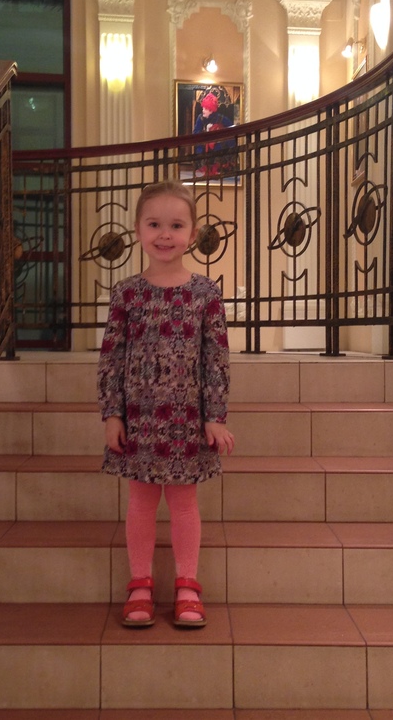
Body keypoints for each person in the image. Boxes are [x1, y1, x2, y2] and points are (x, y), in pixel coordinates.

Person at [97, 180, 234, 628]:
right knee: (140, 503)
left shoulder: (206, 293)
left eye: (176, 225)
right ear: (138, 229)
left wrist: (214, 417)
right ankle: (140, 584)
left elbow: (216, 359)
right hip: (139, 419)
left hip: (186, 420)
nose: (164, 234)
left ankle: (187, 585)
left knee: (184, 503)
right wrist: (112, 414)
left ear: (192, 233)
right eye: (154, 224)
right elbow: (112, 357)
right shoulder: (126, 293)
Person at [192, 93, 233, 178]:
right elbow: (196, 132)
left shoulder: (221, 118)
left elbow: (232, 129)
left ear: (211, 110)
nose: (203, 110)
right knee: (201, 148)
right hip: (205, 143)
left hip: (219, 144)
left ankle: (217, 168)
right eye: (203, 108)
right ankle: (206, 168)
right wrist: (205, 133)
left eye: (206, 108)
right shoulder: (200, 118)